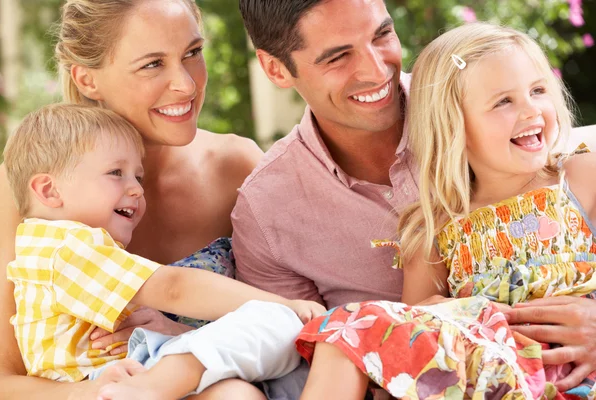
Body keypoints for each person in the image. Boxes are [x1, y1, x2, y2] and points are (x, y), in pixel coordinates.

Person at [235, 0, 596, 398]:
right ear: (275, 67)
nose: (375, 71)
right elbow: (400, 328)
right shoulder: (430, 228)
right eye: (337, 56)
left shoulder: (572, 173)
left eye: (382, 34)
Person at [0, 1, 268, 399]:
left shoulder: (238, 168)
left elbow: (291, 324)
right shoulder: (30, 187)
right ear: (87, 80)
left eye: (192, 53)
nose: (187, 85)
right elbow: (2, 381)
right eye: (152, 64)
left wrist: (180, 341)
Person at [4, 103, 325, 400]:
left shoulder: (45, 249)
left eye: (138, 176)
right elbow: (172, 288)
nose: (136, 188)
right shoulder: (69, 246)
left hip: (118, 379)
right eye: (116, 172)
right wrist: (285, 306)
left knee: (247, 387)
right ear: (49, 190)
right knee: (277, 324)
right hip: (112, 381)